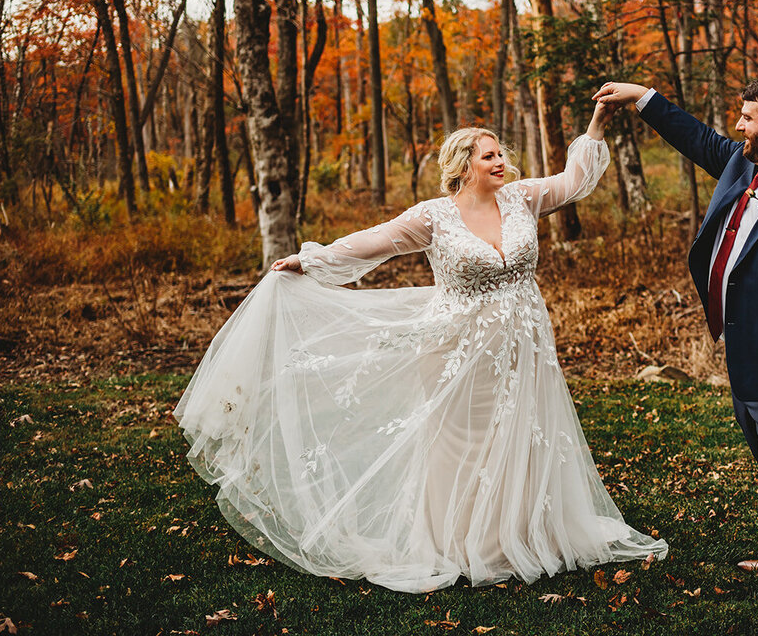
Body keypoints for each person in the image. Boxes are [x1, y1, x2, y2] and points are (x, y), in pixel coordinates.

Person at [173, 101, 666, 594]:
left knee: (524, 435)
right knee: (464, 445)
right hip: (455, 351)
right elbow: (376, 241)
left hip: (525, 346)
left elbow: (572, 180)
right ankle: (464, 543)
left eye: (500, 154)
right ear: (462, 167)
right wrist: (312, 260)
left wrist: (597, 126)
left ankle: (526, 533)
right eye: (489, 156)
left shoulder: (522, 199)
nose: (500, 162)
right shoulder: (434, 217)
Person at [594, 78, 758, 636]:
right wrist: (643, 97)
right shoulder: (746, 165)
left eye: (746, 118)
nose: (736, 128)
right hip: (743, 358)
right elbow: (695, 138)